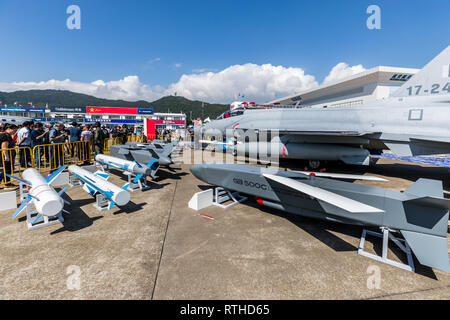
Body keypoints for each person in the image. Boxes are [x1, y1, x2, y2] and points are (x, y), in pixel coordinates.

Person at [0, 124, 18, 190]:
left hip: (6, 154)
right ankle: (7, 184)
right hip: (6, 155)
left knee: (7, 169)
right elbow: (4, 146)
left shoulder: (5, 135)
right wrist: (6, 156)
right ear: (8, 129)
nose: (14, 131)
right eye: (14, 130)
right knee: (7, 169)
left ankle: (7, 183)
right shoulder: (5, 136)